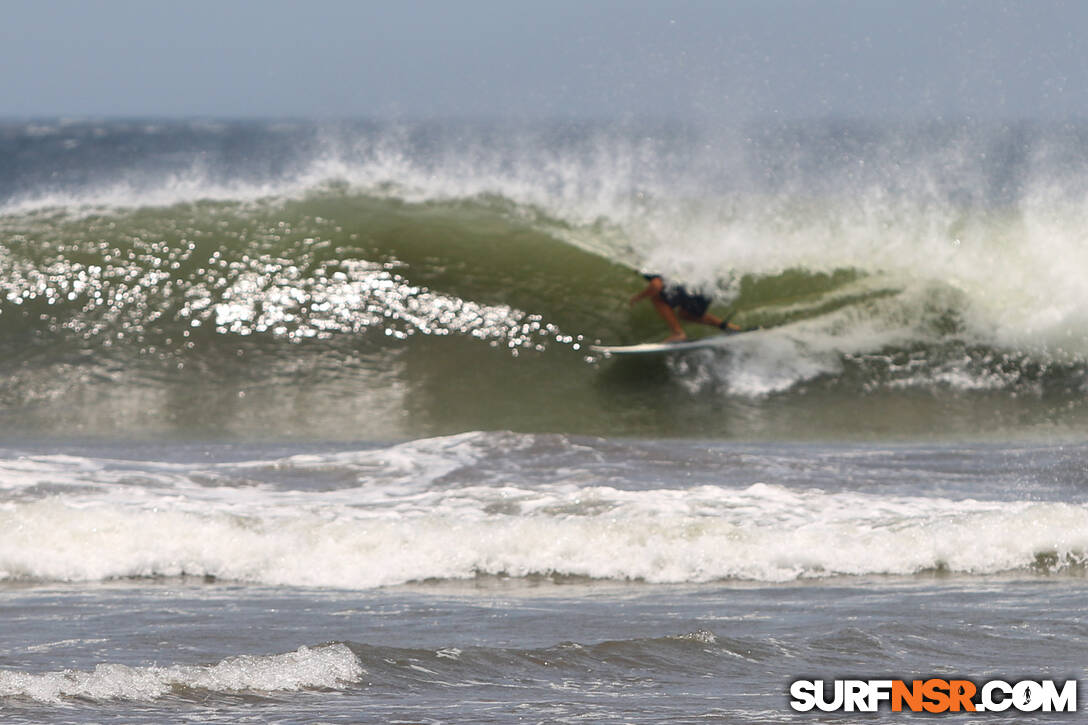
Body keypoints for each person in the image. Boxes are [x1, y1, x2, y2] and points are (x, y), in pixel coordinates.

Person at [629, 273, 740, 342]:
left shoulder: (649, 263)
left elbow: (655, 285)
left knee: (656, 298)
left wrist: (637, 298)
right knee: (686, 314)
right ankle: (729, 327)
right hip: (707, 285)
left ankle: (678, 333)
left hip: (693, 287)